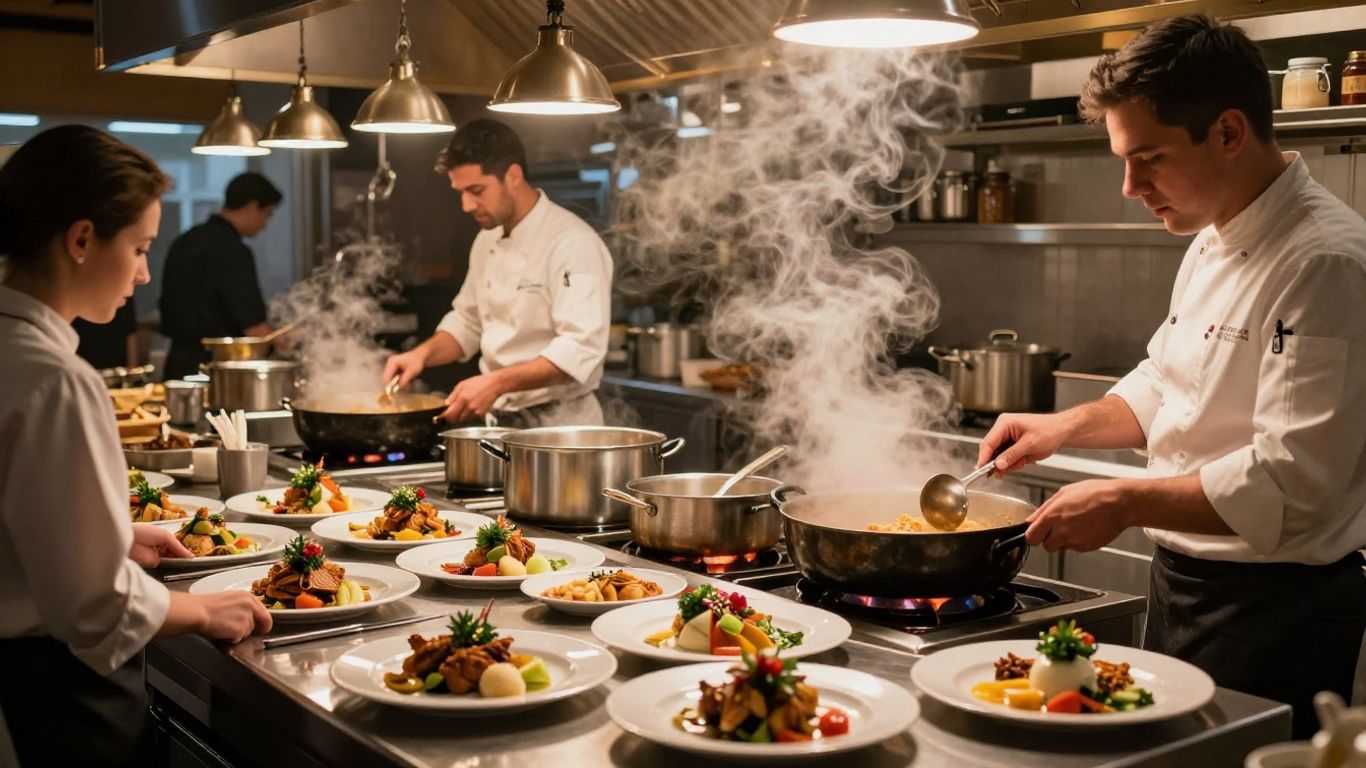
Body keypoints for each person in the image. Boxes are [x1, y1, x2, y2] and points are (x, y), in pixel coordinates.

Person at [978, 14, 1366, 738]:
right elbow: (1168, 379)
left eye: (1148, 157)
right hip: (1183, 585)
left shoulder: (1325, 261)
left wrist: (1124, 500)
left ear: (1227, 133)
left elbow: (1295, 483)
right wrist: (1064, 428)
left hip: (1276, 609)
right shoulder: (1214, 232)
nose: (1129, 187)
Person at [0, 125, 272, 765]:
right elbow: (95, 604)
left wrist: (108, 532)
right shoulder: (55, 380)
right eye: (141, 247)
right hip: (53, 696)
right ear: (82, 239)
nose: (146, 272)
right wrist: (201, 611)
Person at [383, 119, 613, 427]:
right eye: (460, 192)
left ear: (513, 176)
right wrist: (421, 355)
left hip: (562, 426)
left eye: (476, 190)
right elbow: (468, 321)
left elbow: (580, 350)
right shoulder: (487, 238)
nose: (466, 204)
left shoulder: (572, 243)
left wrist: (495, 382)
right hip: (501, 423)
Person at [159, 171, 281, 379]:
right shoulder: (234, 251)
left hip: (177, 365)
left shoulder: (185, 240)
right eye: (266, 214)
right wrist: (281, 343)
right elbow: (254, 327)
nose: (265, 224)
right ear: (252, 206)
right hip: (220, 373)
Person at [74, 297, 139, 370]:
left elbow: (130, 331)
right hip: (83, 360)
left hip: (117, 362)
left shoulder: (124, 296)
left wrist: (132, 367)